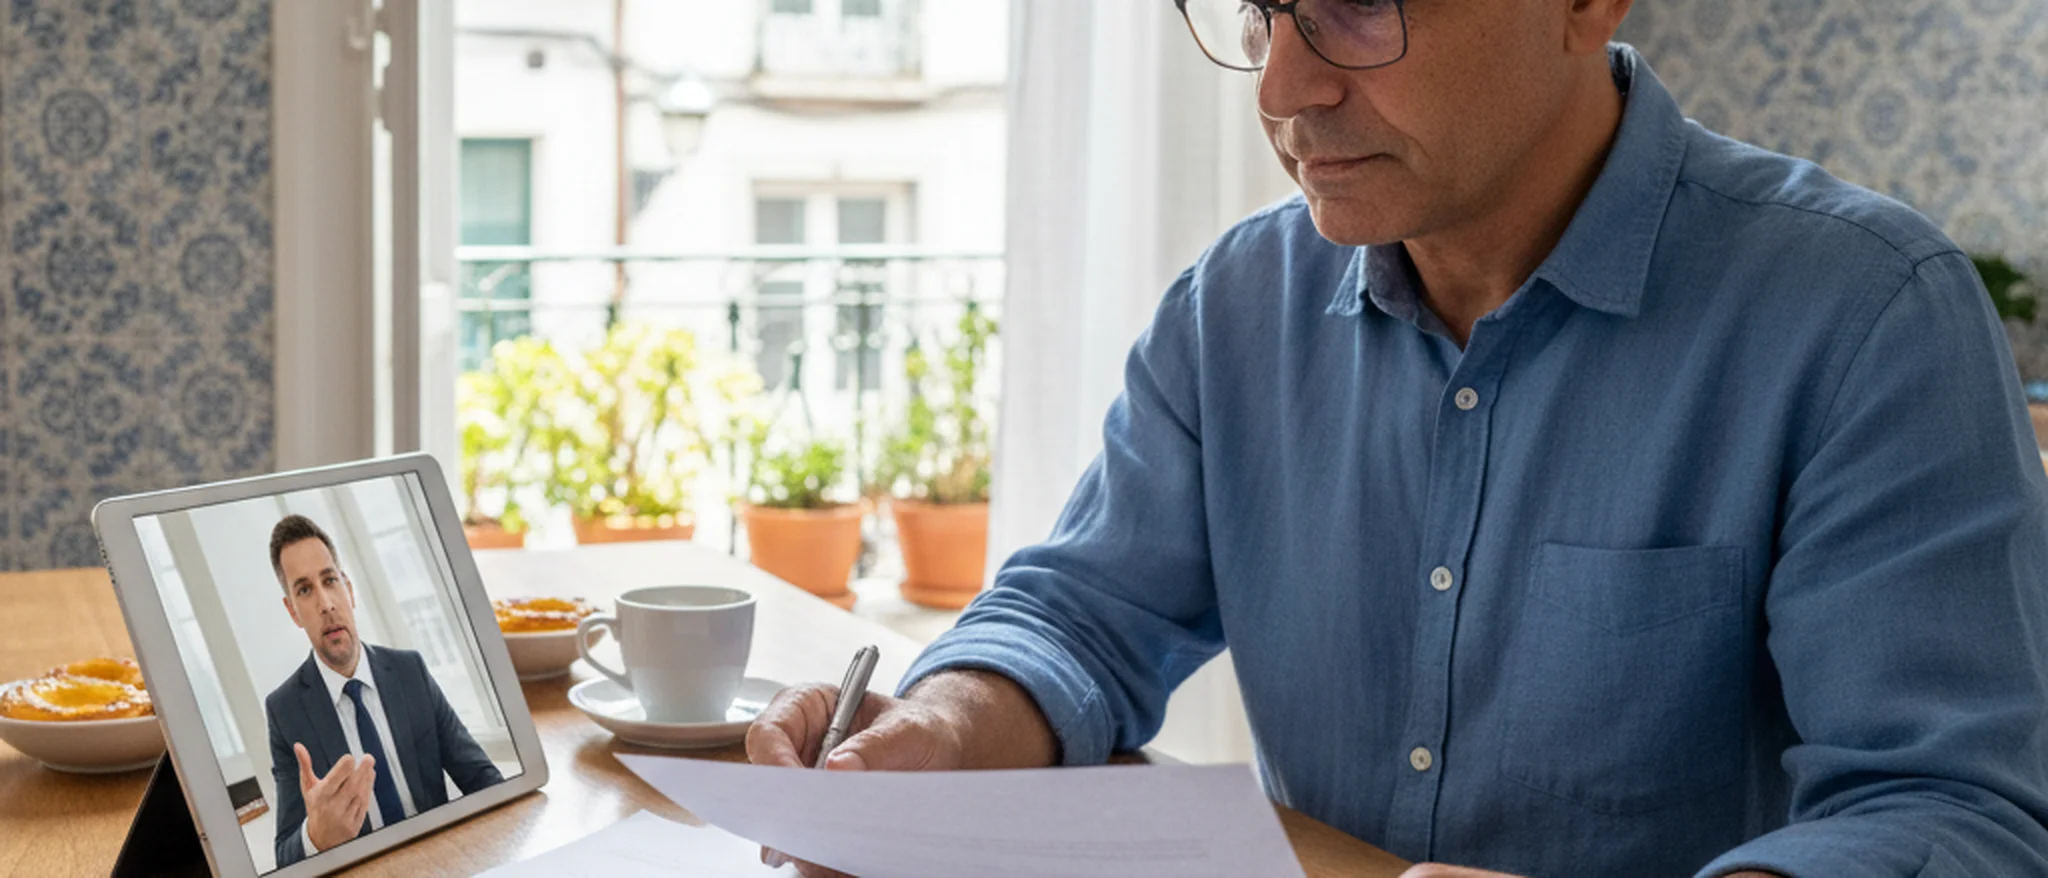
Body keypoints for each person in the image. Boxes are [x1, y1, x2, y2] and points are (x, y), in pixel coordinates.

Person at [749, 1, 2048, 876]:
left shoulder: (1866, 312)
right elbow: (1083, 613)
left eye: (1361, 4)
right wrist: (945, 722)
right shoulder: (1234, 308)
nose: (1284, 86)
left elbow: (1951, 812)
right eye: (1262, 10)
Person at [263, 514, 504, 867]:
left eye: (330, 580)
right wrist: (317, 838)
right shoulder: (284, 711)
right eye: (304, 589)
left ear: (349, 589)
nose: (326, 604)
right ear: (293, 612)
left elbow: (483, 779)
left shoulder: (411, 671)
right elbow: (284, 854)